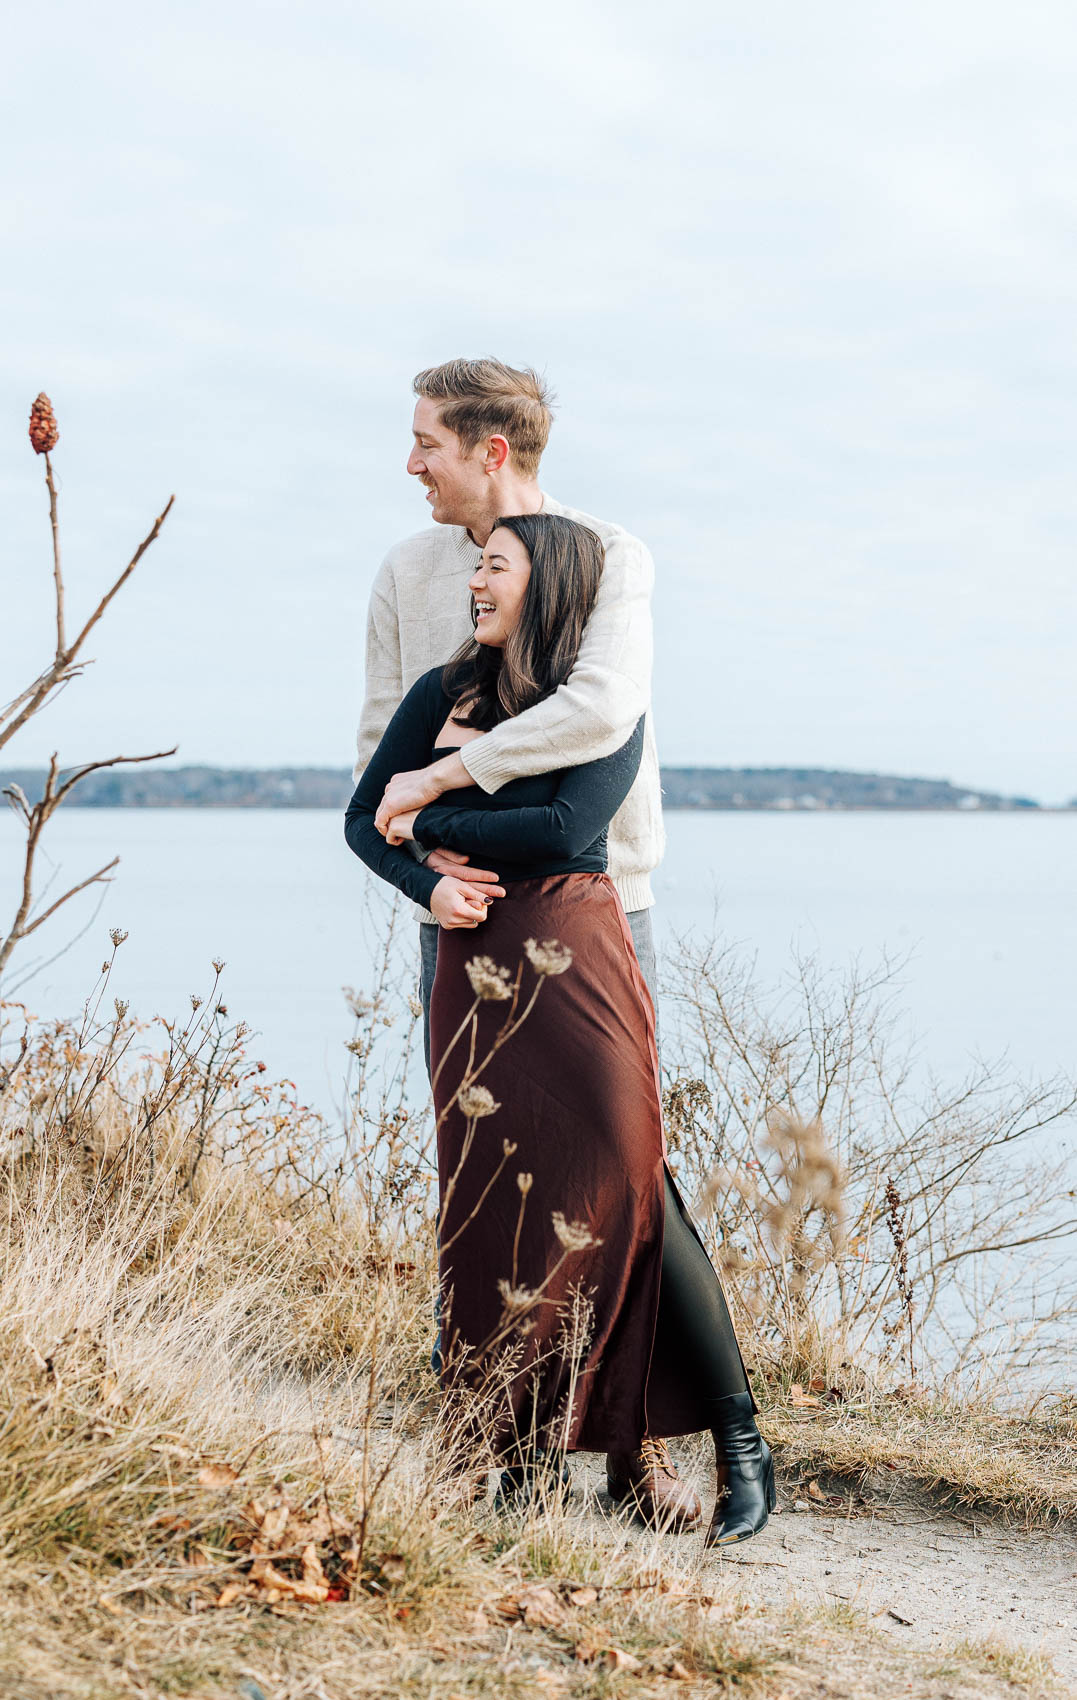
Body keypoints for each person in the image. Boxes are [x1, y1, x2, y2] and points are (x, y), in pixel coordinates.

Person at [346, 512, 775, 1545]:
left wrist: (432, 816)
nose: (474, 583)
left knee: (628, 1184)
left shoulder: (597, 705)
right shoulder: (436, 694)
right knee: (491, 1202)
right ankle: (509, 1452)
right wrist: (420, 879)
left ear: (547, 587)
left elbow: (562, 829)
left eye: (495, 567)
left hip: (578, 957)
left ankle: (733, 1439)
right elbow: (363, 817)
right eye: (477, 566)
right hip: (474, 968)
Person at [354, 359, 663, 1073]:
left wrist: (438, 783)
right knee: (472, 1139)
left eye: (427, 444)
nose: (410, 464)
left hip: (594, 901)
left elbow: (602, 707)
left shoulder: (606, 553)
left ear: (490, 451)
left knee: (608, 1133)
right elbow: (380, 746)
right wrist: (419, 864)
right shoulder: (406, 570)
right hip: (455, 903)